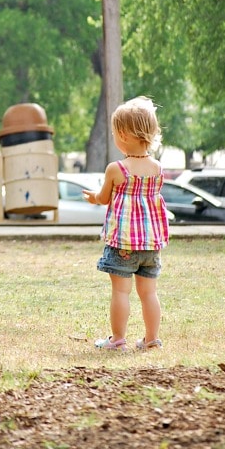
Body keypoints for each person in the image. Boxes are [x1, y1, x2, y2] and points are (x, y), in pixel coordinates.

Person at [82, 96, 169, 352]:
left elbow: (104, 197)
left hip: (123, 243)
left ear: (123, 134)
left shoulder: (116, 169)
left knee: (121, 292)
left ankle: (118, 340)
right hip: (151, 244)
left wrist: (93, 198)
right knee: (148, 293)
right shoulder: (157, 168)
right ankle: (151, 339)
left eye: (114, 132)